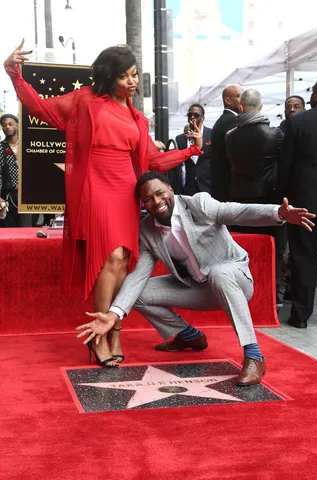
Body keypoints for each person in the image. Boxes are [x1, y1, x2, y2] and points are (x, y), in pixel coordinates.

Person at [5, 40, 203, 366]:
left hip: (126, 190)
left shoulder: (138, 118)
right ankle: (99, 336)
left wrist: (189, 152)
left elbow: (151, 159)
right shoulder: (85, 100)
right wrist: (14, 74)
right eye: (125, 76)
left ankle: (115, 331)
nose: (133, 82)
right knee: (108, 259)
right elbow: (41, 108)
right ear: (110, 76)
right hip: (95, 188)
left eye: (135, 75)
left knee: (123, 263)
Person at [76, 172, 315, 386]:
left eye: (159, 194)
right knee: (136, 293)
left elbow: (236, 211)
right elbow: (138, 277)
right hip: (198, 287)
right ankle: (190, 336)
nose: (156, 202)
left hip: (234, 278)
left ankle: (254, 356)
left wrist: (278, 213)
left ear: (171, 190)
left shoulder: (198, 204)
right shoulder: (147, 229)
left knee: (220, 272)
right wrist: (113, 314)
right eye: (148, 199)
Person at [225, 89, 285, 307]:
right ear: (260, 107)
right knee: (273, 248)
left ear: (240, 108)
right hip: (268, 197)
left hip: (239, 199)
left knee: (244, 249)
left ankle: (243, 293)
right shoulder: (275, 134)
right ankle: (273, 296)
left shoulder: (230, 136)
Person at [277, 80, 317, 328]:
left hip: (305, 202)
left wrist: (283, 201)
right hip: (306, 200)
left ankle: (300, 316)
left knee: (304, 257)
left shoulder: (297, 123)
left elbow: (286, 166)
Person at [211, 84, 244, 202]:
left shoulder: (223, 121)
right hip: (229, 189)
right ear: (227, 100)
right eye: (240, 96)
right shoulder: (232, 121)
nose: (244, 100)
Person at [170, 104, 212, 196]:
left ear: (202, 118)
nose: (192, 117)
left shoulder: (211, 135)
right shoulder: (180, 139)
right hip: (188, 188)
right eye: (189, 115)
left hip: (208, 187)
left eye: (196, 115)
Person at [0, 113, 32, 227]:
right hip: (8, 196)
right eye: (4, 125)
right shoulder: (1, 147)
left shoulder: (27, 145)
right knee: (8, 231)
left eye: (10, 124)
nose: (7, 127)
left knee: (26, 229)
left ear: (17, 126)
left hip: (27, 196)